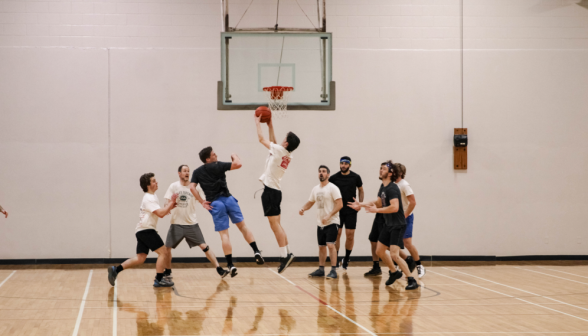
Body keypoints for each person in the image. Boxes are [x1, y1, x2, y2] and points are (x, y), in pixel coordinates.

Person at [189, 147, 263, 278]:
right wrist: (234, 155)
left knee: (224, 235)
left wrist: (201, 201)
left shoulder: (197, 172)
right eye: (213, 154)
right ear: (208, 159)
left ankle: (230, 264)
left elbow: (191, 187)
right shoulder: (219, 165)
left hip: (215, 203)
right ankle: (256, 251)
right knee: (243, 226)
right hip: (229, 199)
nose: (216, 154)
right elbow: (238, 164)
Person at [348, 161, 419, 290]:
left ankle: (411, 279)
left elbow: (395, 207)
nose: (380, 170)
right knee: (379, 251)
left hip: (397, 225)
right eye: (380, 168)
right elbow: (379, 202)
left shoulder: (392, 188)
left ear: (391, 173)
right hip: (388, 224)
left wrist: (377, 210)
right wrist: (361, 204)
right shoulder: (383, 186)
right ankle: (394, 272)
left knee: (394, 255)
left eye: (384, 169)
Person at [108, 173, 177, 287]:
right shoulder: (149, 198)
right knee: (163, 252)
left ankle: (115, 270)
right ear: (148, 185)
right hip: (147, 230)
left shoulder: (153, 196)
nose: (157, 182)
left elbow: (161, 212)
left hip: (141, 230)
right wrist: (171, 203)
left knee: (140, 258)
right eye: (154, 181)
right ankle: (159, 279)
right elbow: (160, 214)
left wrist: (170, 206)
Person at [162, 165, 230, 281]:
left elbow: (204, 201)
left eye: (188, 171)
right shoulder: (173, 186)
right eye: (184, 171)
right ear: (179, 173)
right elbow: (166, 204)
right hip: (176, 224)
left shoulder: (195, 188)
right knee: (167, 249)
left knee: (204, 246)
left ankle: (219, 269)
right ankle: (168, 272)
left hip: (191, 224)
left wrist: (212, 206)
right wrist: (168, 206)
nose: (187, 172)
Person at [255, 115, 300, 273]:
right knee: (278, 225)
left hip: (271, 192)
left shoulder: (280, 150)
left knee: (275, 226)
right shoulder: (285, 153)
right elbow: (273, 142)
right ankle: (287, 253)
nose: (281, 140)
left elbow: (262, 139)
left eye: (284, 138)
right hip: (275, 191)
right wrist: (270, 125)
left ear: (286, 143)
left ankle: (284, 257)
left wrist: (256, 121)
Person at [299, 165, 342, 279]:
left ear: (328, 174)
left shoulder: (333, 188)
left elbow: (340, 204)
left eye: (324, 171)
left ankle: (333, 270)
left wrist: (329, 215)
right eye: (319, 171)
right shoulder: (315, 189)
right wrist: (303, 208)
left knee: (330, 245)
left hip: (332, 222)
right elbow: (310, 202)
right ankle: (321, 269)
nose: (321, 173)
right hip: (320, 223)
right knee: (321, 246)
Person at [329, 156, 364, 269]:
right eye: (341, 163)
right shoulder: (334, 178)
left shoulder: (356, 177)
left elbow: (361, 189)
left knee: (350, 235)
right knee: (337, 235)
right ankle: (336, 259)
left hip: (351, 210)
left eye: (346, 163)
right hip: (338, 210)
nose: (343, 165)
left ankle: (347, 258)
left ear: (349, 165)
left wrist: (360, 204)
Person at [395, 163, 425, 278]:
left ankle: (419, 265)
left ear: (401, 173)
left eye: (395, 171)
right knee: (393, 242)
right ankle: (398, 265)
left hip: (406, 217)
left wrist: (405, 215)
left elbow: (413, 202)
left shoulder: (404, 185)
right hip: (395, 218)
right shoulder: (392, 184)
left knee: (407, 243)